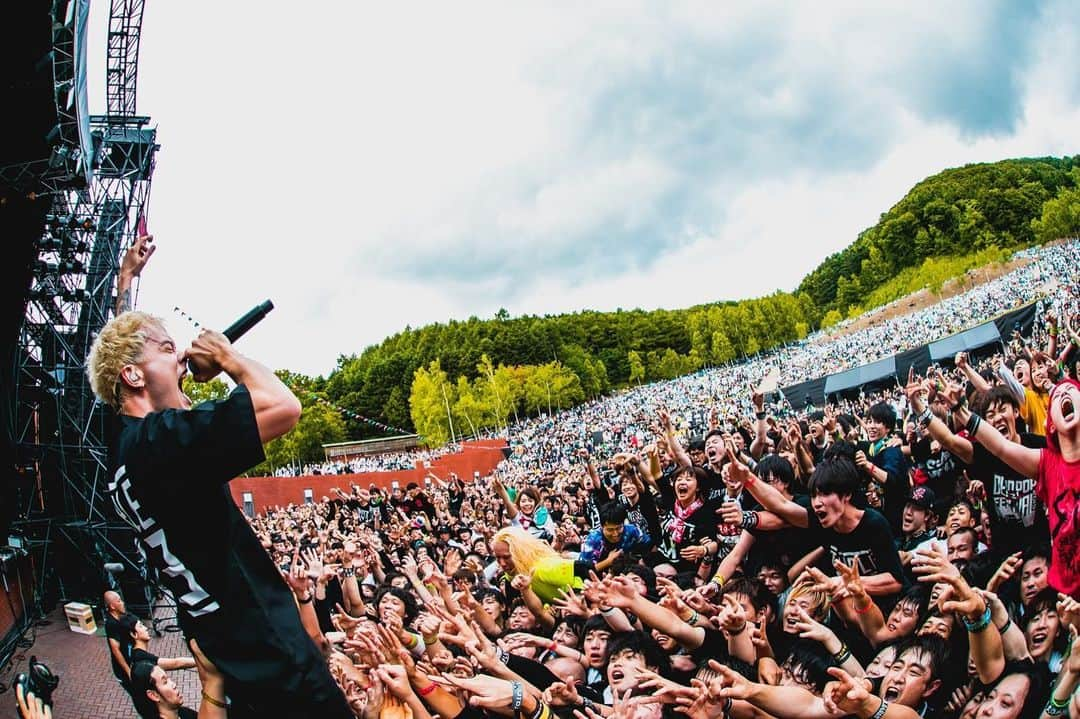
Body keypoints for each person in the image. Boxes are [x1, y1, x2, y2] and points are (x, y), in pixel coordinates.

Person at [86, 311, 352, 718]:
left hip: (233, 660)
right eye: (167, 349)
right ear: (133, 376)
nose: (182, 360)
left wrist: (125, 281)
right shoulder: (163, 441)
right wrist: (227, 357)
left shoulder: (121, 456)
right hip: (278, 663)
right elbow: (283, 406)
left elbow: (108, 377)